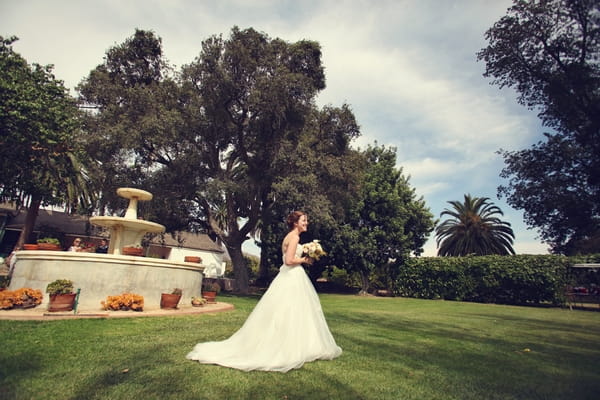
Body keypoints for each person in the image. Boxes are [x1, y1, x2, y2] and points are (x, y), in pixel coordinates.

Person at [186, 211, 342, 372]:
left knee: (289, 311)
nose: (306, 223)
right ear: (296, 223)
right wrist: (304, 259)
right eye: (304, 220)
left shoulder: (289, 237)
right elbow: (289, 261)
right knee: (293, 311)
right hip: (293, 276)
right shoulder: (294, 238)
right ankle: (290, 347)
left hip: (289, 277)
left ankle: (297, 344)